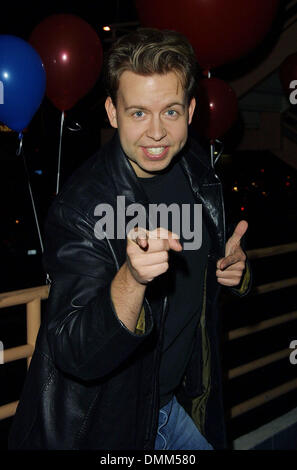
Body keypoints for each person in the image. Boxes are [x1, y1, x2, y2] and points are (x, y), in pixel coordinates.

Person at [8, 28, 251, 451]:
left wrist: (233, 271)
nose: (156, 132)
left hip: (175, 408)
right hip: (105, 427)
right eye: (138, 112)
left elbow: (199, 284)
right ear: (113, 111)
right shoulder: (81, 207)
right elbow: (75, 352)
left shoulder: (198, 174)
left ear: (191, 111)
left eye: (170, 112)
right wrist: (132, 280)